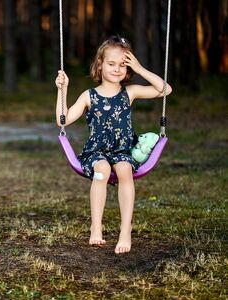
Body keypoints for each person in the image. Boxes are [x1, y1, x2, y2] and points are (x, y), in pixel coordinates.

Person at [55, 36, 172, 254]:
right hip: (96, 153)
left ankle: (125, 231)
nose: (117, 69)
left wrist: (140, 68)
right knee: (102, 170)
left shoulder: (130, 93)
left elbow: (165, 90)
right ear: (100, 64)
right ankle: (96, 228)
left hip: (122, 152)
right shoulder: (89, 96)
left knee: (125, 169)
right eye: (111, 64)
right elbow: (63, 120)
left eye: (122, 65)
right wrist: (62, 90)